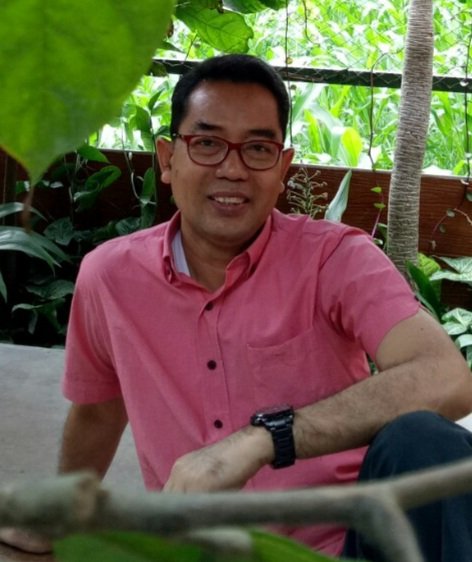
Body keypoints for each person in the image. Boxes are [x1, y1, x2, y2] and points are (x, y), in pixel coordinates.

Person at [2, 54, 472, 560]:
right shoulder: (110, 277)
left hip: (346, 547)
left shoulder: (334, 260)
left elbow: (446, 377)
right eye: (207, 143)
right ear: (168, 159)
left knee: (425, 441)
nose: (232, 169)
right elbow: (97, 413)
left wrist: (265, 439)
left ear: (282, 168)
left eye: (258, 149)